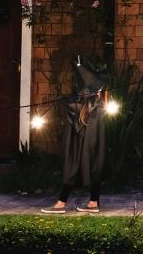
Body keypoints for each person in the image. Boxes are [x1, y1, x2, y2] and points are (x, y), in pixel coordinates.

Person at [41, 61, 107, 214]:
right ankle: (92, 202)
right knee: (90, 166)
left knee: (84, 166)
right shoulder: (88, 106)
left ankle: (63, 203)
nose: (100, 92)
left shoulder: (93, 107)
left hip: (87, 148)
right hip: (87, 148)